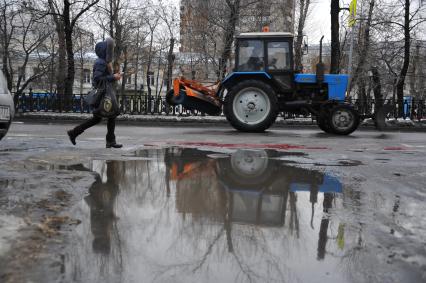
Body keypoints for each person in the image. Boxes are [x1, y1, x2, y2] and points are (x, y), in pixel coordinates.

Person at [67, 37, 122, 148]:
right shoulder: (100, 63)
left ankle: (109, 140)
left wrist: (114, 76)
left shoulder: (103, 62)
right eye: (108, 50)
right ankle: (74, 133)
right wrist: (113, 77)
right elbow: (97, 79)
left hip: (105, 93)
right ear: (104, 51)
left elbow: (103, 77)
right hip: (102, 94)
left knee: (107, 117)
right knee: (107, 116)